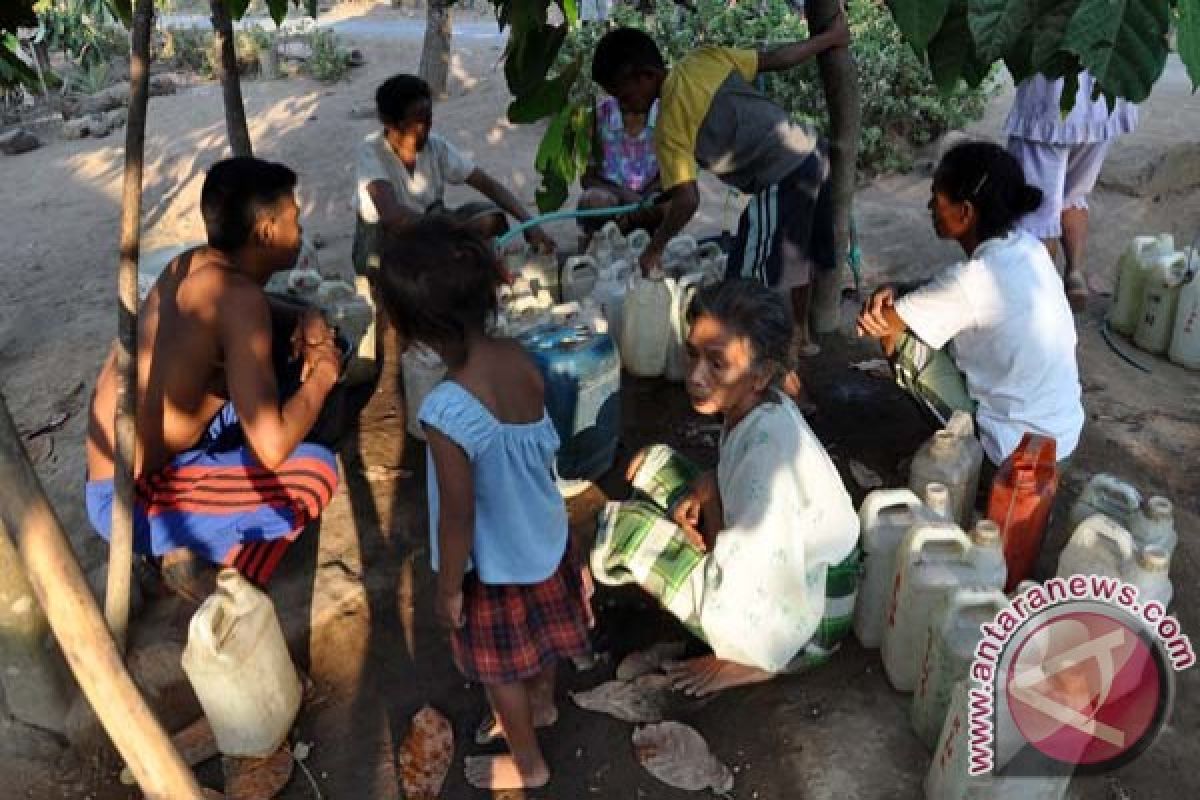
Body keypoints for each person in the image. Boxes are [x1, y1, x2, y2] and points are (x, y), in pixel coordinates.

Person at [375, 219, 591, 791]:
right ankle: (543, 705)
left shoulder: (447, 411)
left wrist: (448, 587)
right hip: (545, 538)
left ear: (416, 330)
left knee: (500, 674)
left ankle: (528, 764)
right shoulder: (519, 357)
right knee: (541, 642)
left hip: (495, 571)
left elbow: (458, 514)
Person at [85, 157, 341, 598]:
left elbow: (257, 309)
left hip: (140, 463)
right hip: (129, 499)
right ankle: (224, 576)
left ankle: (199, 528)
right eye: (294, 218)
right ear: (265, 231)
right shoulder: (240, 300)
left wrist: (309, 316)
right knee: (314, 473)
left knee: (291, 359)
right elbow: (274, 448)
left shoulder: (191, 264)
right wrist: (325, 376)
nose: (301, 229)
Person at [590, 279, 860, 696]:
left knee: (625, 531)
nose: (696, 376)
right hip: (795, 567)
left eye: (717, 364)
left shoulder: (768, 454)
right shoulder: (757, 406)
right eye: (693, 354)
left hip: (810, 622)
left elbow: (746, 582)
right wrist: (708, 489)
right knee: (654, 463)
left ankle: (749, 663)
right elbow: (732, 477)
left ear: (761, 374)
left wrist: (706, 524)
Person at [589, 12, 850, 354]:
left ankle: (783, 373)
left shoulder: (668, 125)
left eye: (624, 97)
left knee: (745, 284)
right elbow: (776, 60)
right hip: (811, 152)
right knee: (800, 258)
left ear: (647, 77)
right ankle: (801, 336)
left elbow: (687, 201)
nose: (625, 107)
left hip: (780, 175)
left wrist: (656, 247)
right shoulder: (703, 61)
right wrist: (829, 38)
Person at [855, 141, 1085, 469]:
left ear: (964, 212)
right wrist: (900, 288)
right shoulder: (1029, 248)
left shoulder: (970, 281)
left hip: (1010, 458)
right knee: (931, 319)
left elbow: (884, 322)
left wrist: (880, 309)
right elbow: (944, 295)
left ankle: (962, 459)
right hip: (1061, 443)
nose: (929, 206)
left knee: (899, 339)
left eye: (936, 198)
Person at [352, 73, 555, 275]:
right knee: (400, 265)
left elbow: (487, 184)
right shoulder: (371, 152)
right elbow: (392, 215)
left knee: (492, 218)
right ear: (391, 123)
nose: (426, 127)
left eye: (428, 118)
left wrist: (528, 223)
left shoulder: (435, 146)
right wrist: (451, 229)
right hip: (387, 237)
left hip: (434, 223)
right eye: (417, 121)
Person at [1004, 70, 1138, 311]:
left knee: (1036, 210)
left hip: (1049, 103)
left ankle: (1038, 299)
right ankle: (1075, 275)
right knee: (1073, 195)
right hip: (1102, 102)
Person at [576, 93, 664, 248]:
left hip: (648, 198)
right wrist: (624, 195)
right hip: (612, 199)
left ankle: (654, 244)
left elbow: (672, 175)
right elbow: (587, 179)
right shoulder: (599, 115)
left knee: (672, 201)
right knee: (594, 200)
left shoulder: (665, 115)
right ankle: (598, 243)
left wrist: (642, 201)